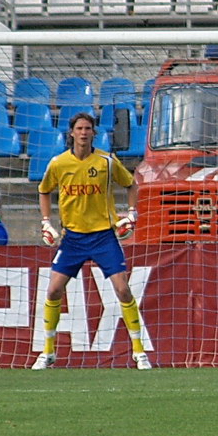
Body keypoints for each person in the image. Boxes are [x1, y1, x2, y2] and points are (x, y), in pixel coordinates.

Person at [32, 113, 151, 371]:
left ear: (93, 133)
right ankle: (48, 352)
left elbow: (131, 185)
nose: (84, 132)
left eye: (88, 128)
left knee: (123, 289)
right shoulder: (59, 163)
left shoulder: (107, 161)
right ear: (71, 133)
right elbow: (44, 191)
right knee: (53, 290)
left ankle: (139, 353)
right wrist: (45, 222)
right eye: (79, 128)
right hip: (72, 237)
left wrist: (132, 214)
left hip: (103, 236)